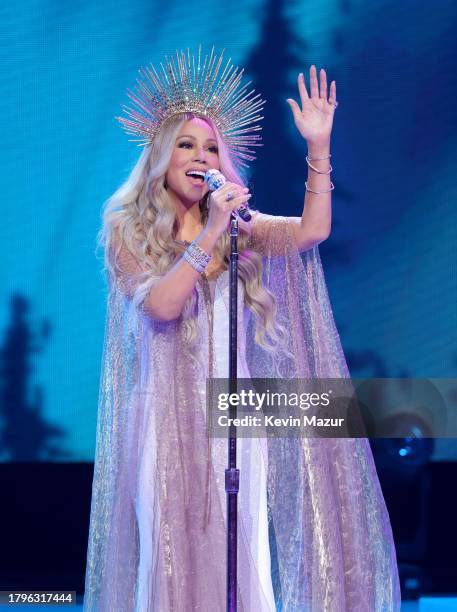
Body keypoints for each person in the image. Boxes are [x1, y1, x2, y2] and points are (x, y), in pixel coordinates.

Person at [83, 46, 401, 611]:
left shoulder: (241, 229)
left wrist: (319, 147)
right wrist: (212, 231)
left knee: (240, 546)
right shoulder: (126, 229)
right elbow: (161, 307)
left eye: (210, 147)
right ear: (161, 155)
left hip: (230, 417)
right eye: (185, 144)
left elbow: (310, 232)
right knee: (170, 558)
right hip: (161, 419)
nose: (199, 156)